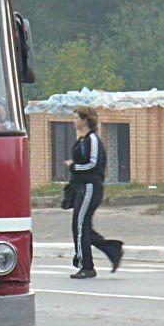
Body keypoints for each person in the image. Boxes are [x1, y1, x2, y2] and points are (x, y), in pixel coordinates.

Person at [64, 107, 123, 279]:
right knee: (82, 226)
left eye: (76, 117)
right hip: (82, 187)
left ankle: (86, 266)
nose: (73, 121)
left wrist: (73, 166)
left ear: (85, 120)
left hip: (90, 187)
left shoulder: (92, 139)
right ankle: (112, 250)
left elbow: (93, 164)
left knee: (80, 226)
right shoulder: (82, 140)